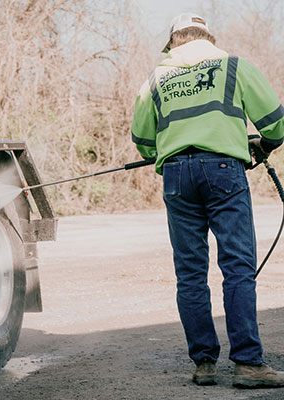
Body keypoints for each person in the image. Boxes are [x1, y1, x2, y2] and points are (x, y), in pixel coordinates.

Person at [131, 12, 284, 388]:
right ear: (208, 39)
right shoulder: (233, 66)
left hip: (176, 177)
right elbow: (276, 123)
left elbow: (143, 139)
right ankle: (248, 365)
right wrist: (259, 146)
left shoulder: (156, 78)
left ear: (173, 43)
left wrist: (168, 149)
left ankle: (204, 365)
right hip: (223, 171)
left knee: (190, 274)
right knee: (237, 267)